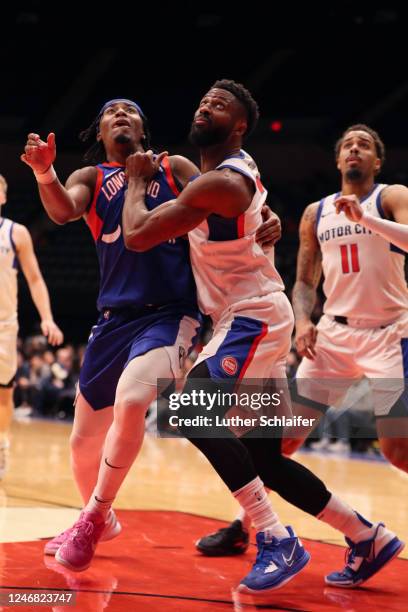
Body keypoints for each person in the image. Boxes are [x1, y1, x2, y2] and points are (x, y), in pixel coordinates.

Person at [122, 83, 403, 591]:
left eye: (220, 104)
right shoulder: (216, 176)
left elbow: (138, 234)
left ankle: (275, 538)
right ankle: (367, 536)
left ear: (240, 127)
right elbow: (198, 184)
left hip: (253, 317)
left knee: (186, 411)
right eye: (203, 98)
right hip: (262, 318)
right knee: (267, 459)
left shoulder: (226, 182)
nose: (206, 104)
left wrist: (138, 181)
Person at [21, 97, 281, 573]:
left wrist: (267, 220)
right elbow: (61, 211)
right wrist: (43, 173)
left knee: (134, 397)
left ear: (144, 125)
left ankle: (92, 520)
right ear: (99, 133)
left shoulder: (172, 166)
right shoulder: (91, 178)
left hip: (170, 313)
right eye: (109, 112)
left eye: (130, 110)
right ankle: (98, 515)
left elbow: (234, 203)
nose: (120, 114)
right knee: (82, 441)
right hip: (112, 321)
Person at [203, 124, 408, 579]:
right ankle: (245, 525)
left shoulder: (391, 196)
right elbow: (302, 281)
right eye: (348, 144)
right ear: (337, 161)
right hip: (331, 338)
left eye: (366, 145)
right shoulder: (316, 212)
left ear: (377, 162)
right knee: (284, 440)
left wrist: (367, 219)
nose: (355, 148)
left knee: (398, 450)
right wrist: (304, 321)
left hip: (389, 336)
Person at [0, 174, 63, 479]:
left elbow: (35, 279)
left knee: (3, 394)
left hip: (4, 326)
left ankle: (1, 444)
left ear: (3, 197)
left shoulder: (16, 233)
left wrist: (47, 317)